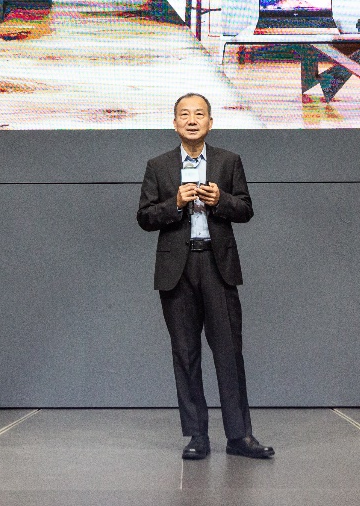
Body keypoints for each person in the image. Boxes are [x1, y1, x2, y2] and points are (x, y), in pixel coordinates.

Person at [136, 92, 274, 461]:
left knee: (229, 353)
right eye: (185, 114)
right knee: (185, 354)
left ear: (210, 123)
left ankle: (239, 436)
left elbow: (245, 209)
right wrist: (176, 203)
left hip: (217, 265)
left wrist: (220, 200)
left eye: (199, 114)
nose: (192, 120)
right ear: (175, 123)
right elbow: (145, 217)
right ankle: (197, 435)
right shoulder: (158, 166)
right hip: (177, 271)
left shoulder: (229, 161)